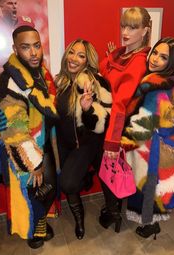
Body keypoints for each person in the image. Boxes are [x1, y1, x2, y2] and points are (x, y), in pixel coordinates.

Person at [120, 37, 174, 239]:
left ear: (172, 62)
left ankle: (150, 226)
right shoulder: (165, 81)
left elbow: (144, 124)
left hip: (153, 146)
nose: (155, 59)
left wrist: (121, 143)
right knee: (156, 186)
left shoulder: (155, 87)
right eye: (155, 52)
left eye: (163, 57)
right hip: (166, 139)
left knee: (150, 190)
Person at [0, 25, 58, 249]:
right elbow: (14, 133)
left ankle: (39, 221)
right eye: (26, 47)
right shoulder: (9, 82)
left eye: (37, 46)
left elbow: (46, 100)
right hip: (25, 149)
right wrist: (34, 163)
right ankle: (35, 230)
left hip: (45, 140)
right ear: (15, 49)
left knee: (49, 186)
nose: (33, 53)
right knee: (33, 190)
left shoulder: (38, 72)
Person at [98, 6, 151, 233]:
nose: (126, 31)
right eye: (124, 25)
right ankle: (114, 212)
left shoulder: (138, 60)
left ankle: (117, 214)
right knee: (115, 172)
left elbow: (120, 103)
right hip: (115, 122)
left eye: (133, 27)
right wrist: (112, 57)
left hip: (124, 126)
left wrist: (112, 141)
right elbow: (103, 67)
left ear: (145, 30)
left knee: (121, 172)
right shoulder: (124, 53)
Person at [55, 38, 112, 239]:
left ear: (87, 61)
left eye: (81, 55)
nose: (74, 58)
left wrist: (88, 110)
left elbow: (103, 122)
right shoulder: (59, 82)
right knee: (68, 184)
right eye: (72, 52)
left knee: (69, 183)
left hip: (86, 143)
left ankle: (84, 178)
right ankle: (79, 222)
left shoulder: (96, 82)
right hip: (63, 143)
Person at [0, 0, 34, 74]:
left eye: (15, 3)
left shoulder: (26, 23)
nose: (14, 6)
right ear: (2, 7)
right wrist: (4, 74)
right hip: (4, 69)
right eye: (10, 3)